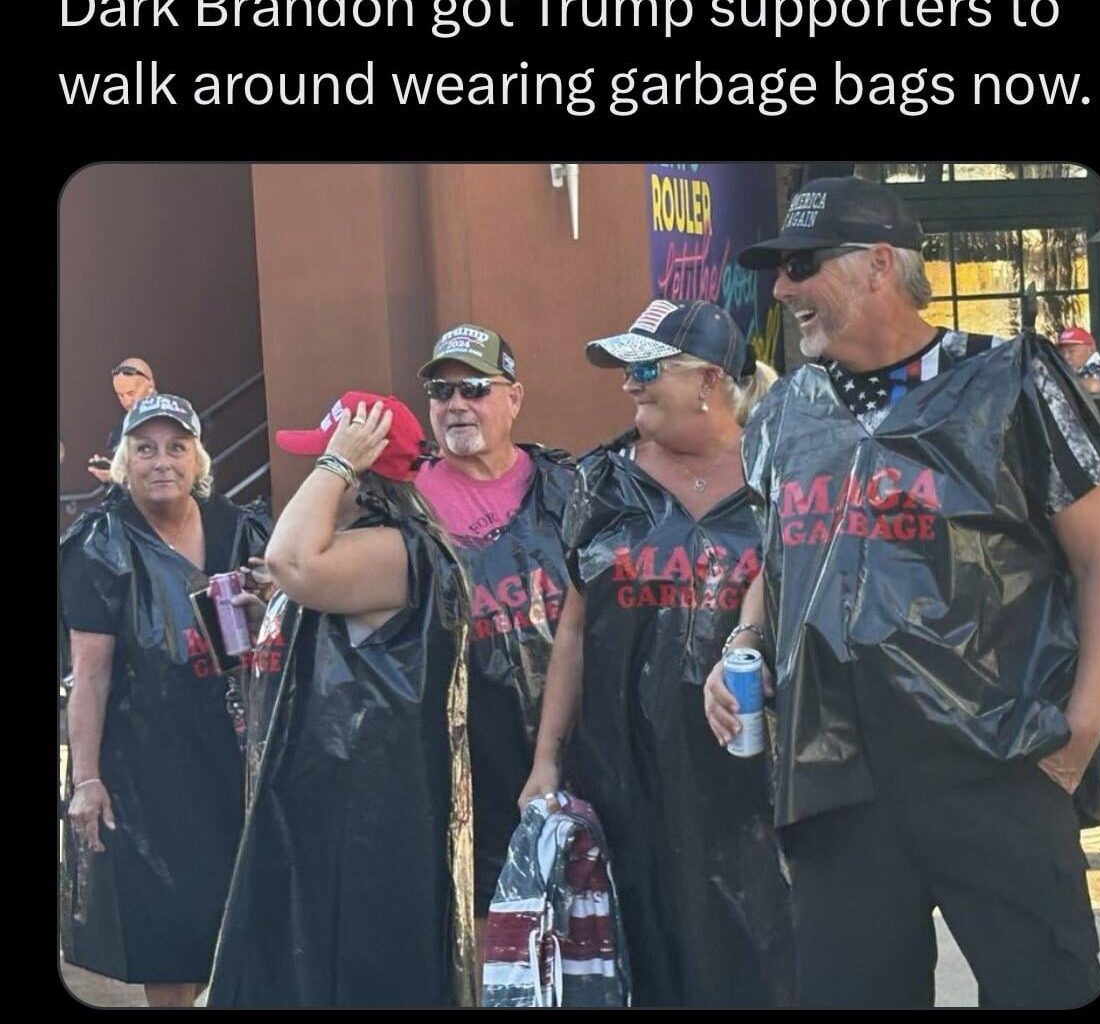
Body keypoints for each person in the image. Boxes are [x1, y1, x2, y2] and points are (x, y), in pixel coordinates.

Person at [705, 176, 1100, 1008]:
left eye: (803, 266)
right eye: (779, 271)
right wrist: (741, 645)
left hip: (994, 763)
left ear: (880, 264)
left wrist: (1082, 728)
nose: (783, 290)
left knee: (1049, 986)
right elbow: (775, 563)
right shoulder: (783, 418)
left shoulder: (1012, 382)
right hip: (835, 778)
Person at [519, 299, 792, 1007]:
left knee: (768, 964)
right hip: (627, 776)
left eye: (645, 369)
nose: (629, 385)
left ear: (707, 380)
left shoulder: (785, 471)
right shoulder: (600, 482)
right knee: (648, 964)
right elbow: (572, 631)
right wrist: (547, 760)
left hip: (758, 782)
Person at [206, 391, 476, 1008]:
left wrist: (337, 463)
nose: (314, 472)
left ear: (364, 472)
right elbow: (304, 591)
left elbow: (289, 559)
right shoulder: (368, 547)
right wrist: (275, 615)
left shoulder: (397, 548)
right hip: (321, 812)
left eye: (325, 459)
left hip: (367, 829)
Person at [59, 393, 271, 1007]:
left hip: (239, 762)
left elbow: (281, 634)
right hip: (150, 774)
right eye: (144, 448)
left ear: (197, 457)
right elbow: (89, 676)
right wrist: (88, 779)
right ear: (125, 460)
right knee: (173, 946)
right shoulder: (99, 544)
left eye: (176, 447)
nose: (161, 462)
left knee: (246, 934)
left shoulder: (238, 527)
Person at [414, 324, 575, 968]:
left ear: (515, 398)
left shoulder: (570, 487)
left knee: (589, 907)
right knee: (486, 919)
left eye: (475, 388)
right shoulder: (407, 503)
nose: (457, 404)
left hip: (581, 739)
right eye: (442, 390)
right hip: (469, 751)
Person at [88, 358, 158, 484]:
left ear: (150, 385)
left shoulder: (172, 420)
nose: (126, 401)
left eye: (131, 393)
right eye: (120, 395)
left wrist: (119, 477)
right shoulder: (119, 430)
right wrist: (110, 472)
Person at [1057, 326, 1100, 396]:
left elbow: (1094, 386)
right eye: (1063, 352)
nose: (1066, 356)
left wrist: (1061, 383)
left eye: (1071, 351)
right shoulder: (1074, 368)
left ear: (1090, 349)